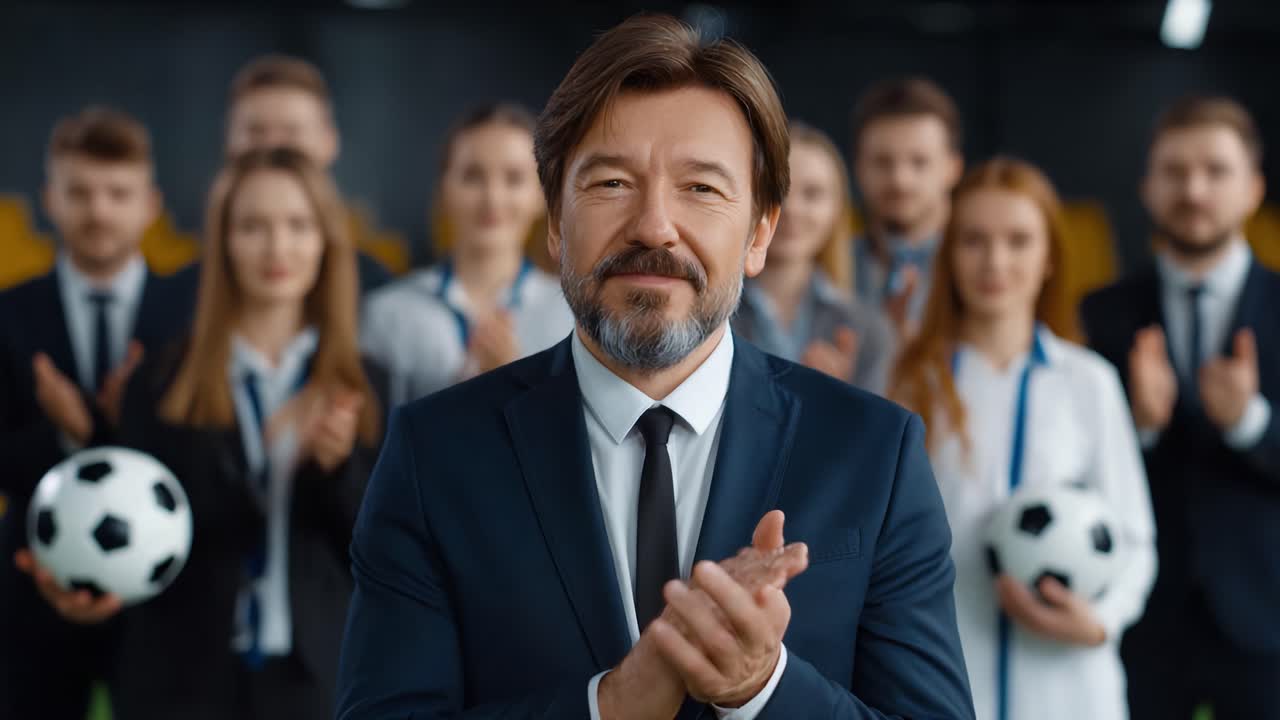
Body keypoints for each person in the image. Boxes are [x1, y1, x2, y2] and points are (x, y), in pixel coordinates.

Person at [336, 14, 974, 720]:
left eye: (701, 189)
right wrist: (605, 709)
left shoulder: (874, 455)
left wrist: (762, 688)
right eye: (611, 183)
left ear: (760, 232)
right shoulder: (434, 455)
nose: (654, 226)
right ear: (553, 222)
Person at [18, 147, 387, 719]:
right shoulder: (162, 380)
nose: (277, 247)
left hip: (319, 681)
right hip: (179, 679)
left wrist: (335, 468)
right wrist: (89, 589)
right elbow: (133, 525)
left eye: (297, 225)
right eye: (252, 226)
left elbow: (379, 556)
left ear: (325, 242)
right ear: (224, 243)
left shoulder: (369, 385)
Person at [892, 157, 1156, 720]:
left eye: (1018, 241)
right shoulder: (911, 382)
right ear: (949, 255)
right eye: (974, 241)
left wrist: (1100, 622)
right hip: (943, 687)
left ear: (1049, 258)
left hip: (1070, 691)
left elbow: (1134, 538)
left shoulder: (1088, 382)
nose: (995, 262)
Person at [1082, 96, 1280, 720]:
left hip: (1267, 616)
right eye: (1175, 172)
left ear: (1253, 188)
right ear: (1148, 187)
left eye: (1215, 172)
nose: (1193, 190)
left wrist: (1249, 423)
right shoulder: (1104, 312)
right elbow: (1083, 468)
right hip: (1145, 616)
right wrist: (1135, 426)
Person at [0, 107, 195, 720]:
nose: (99, 211)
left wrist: (101, 432)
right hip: (33, 589)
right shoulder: (9, 314)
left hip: (167, 596)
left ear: (151, 203)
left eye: (118, 193)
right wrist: (62, 435)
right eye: (79, 192)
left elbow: (203, 451)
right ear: (49, 200)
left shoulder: (192, 317)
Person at [361, 103, 574, 404]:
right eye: (473, 176)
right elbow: (377, 447)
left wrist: (517, 386)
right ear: (445, 188)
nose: (492, 198)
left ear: (541, 194)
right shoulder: (386, 315)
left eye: (513, 178)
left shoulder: (573, 317)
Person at [733, 121, 896, 394]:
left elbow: (875, 435)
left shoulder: (870, 330)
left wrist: (837, 403)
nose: (792, 208)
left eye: (813, 194)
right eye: (777, 190)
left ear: (837, 210)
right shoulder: (710, 313)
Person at [223, 53, 394, 295]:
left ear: (329, 143)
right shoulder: (177, 301)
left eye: (292, 132)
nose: (273, 149)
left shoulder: (376, 292)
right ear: (229, 142)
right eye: (255, 131)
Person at [851, 76, 964, 339]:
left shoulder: (984, 268)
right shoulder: (828, 269)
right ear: (858, 168)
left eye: (919, 162)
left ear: (953, 168)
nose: (900, 180)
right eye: (882, 161)